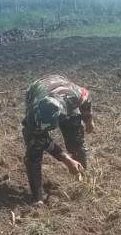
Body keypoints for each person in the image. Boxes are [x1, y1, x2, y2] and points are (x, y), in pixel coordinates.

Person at [21, 75, 92, 204]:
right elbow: (42, 141)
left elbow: (86, 97)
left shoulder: (72, 97)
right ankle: (37, 199)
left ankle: (84, 181)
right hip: (38, 90)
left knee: (75, 142)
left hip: (61, 92)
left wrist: (88, 121)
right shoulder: (33, 114)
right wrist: (66, 159)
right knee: (34, 149)